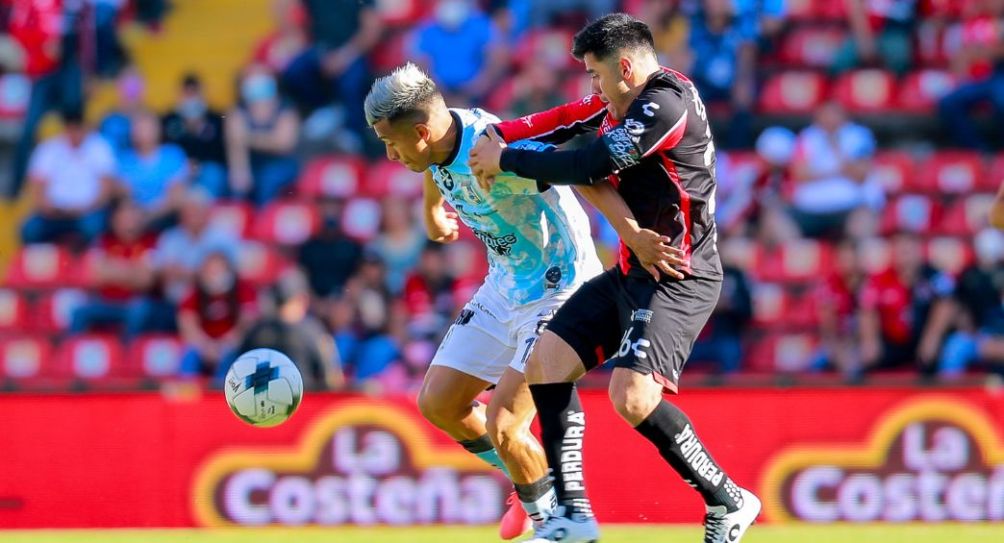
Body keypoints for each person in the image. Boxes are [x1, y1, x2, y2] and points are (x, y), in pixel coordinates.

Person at [468, 14, 761, 542]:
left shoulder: (664, 106)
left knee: (632, 399)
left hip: (678, 274)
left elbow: (592, 162)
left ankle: (729, 499)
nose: (592, 86)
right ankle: (573, 516)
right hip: (633, 267)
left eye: (596, 74)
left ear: (625, 67)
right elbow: (561, 119)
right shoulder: (616, 101)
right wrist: (497, 135)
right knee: (547, 364)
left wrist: (506, 157)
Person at [364, 63, 669, 540]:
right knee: (440, 404)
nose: (389, 153)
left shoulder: (496, 146)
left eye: (392, 142)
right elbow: (434, 163)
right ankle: (527, 478)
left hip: (562, 288)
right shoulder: (440, 137)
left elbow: (584, 175)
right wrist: (431, 209)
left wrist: (632, 235)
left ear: (421, 131)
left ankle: (563, 528)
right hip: (506, 286)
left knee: (505, 424)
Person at [281, 0, 382, 148]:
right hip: (321, 50)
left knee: (353, 82)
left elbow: (372, 29)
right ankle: (320, 112)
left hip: (354, 50)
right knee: (294, 72)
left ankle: (353, 132)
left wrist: (344, 56)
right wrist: (295, 37)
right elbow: (283, 5)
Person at [70, 200, 171, 339]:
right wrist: (133, 270)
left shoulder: (153, 241)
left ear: (141, 219)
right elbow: (95, 276)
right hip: (106, 301)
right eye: (124, 218)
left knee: (140, 311)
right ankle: (70, 357)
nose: (129, 223)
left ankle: (127, 356)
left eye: (133, 217)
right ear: (114, 220)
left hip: (137, 302)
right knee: (79, 312)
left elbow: (145, 281)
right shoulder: (103, 241)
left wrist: (112, 269)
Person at [858, 231, 955, 375]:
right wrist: (870, 341)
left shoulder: (934, 276)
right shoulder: (879, 279)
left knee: (942, 357)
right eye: (900, 249)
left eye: (909, 249)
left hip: (924, 338)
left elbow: (946, 304)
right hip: (893, 341)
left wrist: (932, 337)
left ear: (918, 250)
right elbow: (867, 310)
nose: (905, 255)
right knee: (863, 364)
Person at [789, 101, 884, 239]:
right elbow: (800, 174)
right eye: (825, 114)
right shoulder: (806, 137)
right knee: (775, 217)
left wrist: (836, 147)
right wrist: (838, 172)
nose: (829, 119)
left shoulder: (859, 136)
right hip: (810, 207)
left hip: (850, 205)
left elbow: (859, 175)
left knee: (864, 220)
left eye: (834, 114)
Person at [21, 108, 116, 245]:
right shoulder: (48, 149)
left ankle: (86, 264)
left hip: (87, 212)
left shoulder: (100, 147)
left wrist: (84, 208)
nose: (75, 133)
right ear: (65, 128)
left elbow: (105, 189)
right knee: (30, 230)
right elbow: (37, 187)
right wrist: (49, 208)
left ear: (86, 127)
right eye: (71, 128)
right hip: (53, 213)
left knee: (93, 227)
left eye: (79, 128)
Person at [238, 269, 344, 390]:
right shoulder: (313, 331)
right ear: (303, 298)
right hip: (305, 403)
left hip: (259, 404)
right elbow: (332, 379)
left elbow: (237, 374)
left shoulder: (256, 330)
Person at [225, 65, 301, 206]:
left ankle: (264, 224)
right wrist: (240, 170)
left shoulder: (286, 107)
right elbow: (235, 144)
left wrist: (248, 137)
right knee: (236, 186)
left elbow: (284, 144)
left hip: (280, 163)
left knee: (268, 181)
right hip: (253, 163)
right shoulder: (238, 110)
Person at [411, 0, 509, 106]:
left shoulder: (481, 25)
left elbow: (497, 56)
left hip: (475, 97)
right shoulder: (427, 28)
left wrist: (479, 86)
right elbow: (418, 61)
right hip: (438, 95)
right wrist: (437, 89)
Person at [178, 251, 257, 379]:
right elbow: (187, 324)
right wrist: (206, 346)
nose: (214, 276)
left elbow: (248, 322)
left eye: (218, 271)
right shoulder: (194, 293)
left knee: (230, 357)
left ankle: (223, 389)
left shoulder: (243, 290)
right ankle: (187, 388)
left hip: (232, 344)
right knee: (190, 355)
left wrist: (225, 344)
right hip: (204, 345)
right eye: (210, 271)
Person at [117, 109, 189, 230]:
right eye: (139, 128)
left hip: (167, 216)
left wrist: (150, 215)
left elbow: (176, 195)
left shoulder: (173, 155)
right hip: (134, 218)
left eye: (147, 128)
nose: (143, 133)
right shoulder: (124, 160)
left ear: (158, 129)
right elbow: (125, 196)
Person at [162, 73, 228, 198]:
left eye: (194, 93)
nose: (191, 99)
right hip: (179, 169)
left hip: (208, 169)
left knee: (212, 174)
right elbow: (165, 149)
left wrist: (199, 127)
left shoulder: (216, 118)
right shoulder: (169, 119)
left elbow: (220, 151)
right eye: (187, 94)